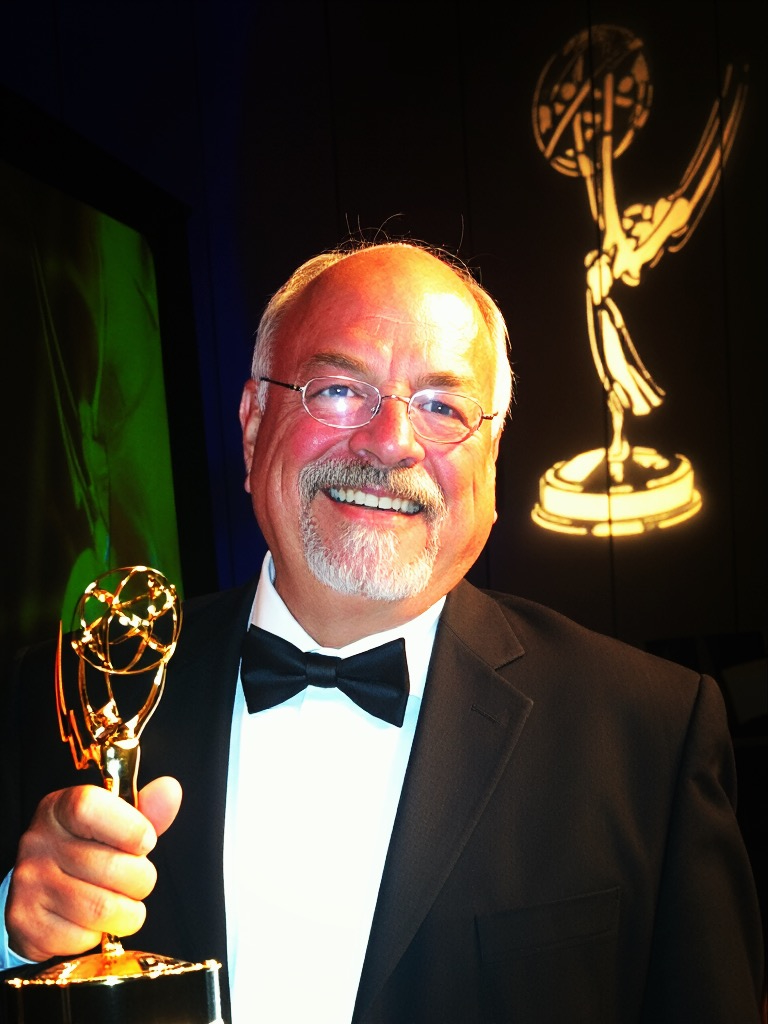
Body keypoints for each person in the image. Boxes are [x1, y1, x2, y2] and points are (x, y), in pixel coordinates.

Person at [0, 240, 764, 1024]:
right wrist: (12, 937)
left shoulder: (651, 734)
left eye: (442, 406)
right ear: (254, 422)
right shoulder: (60, 693)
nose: (391, 442)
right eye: (339, 389)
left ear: (493, 459)